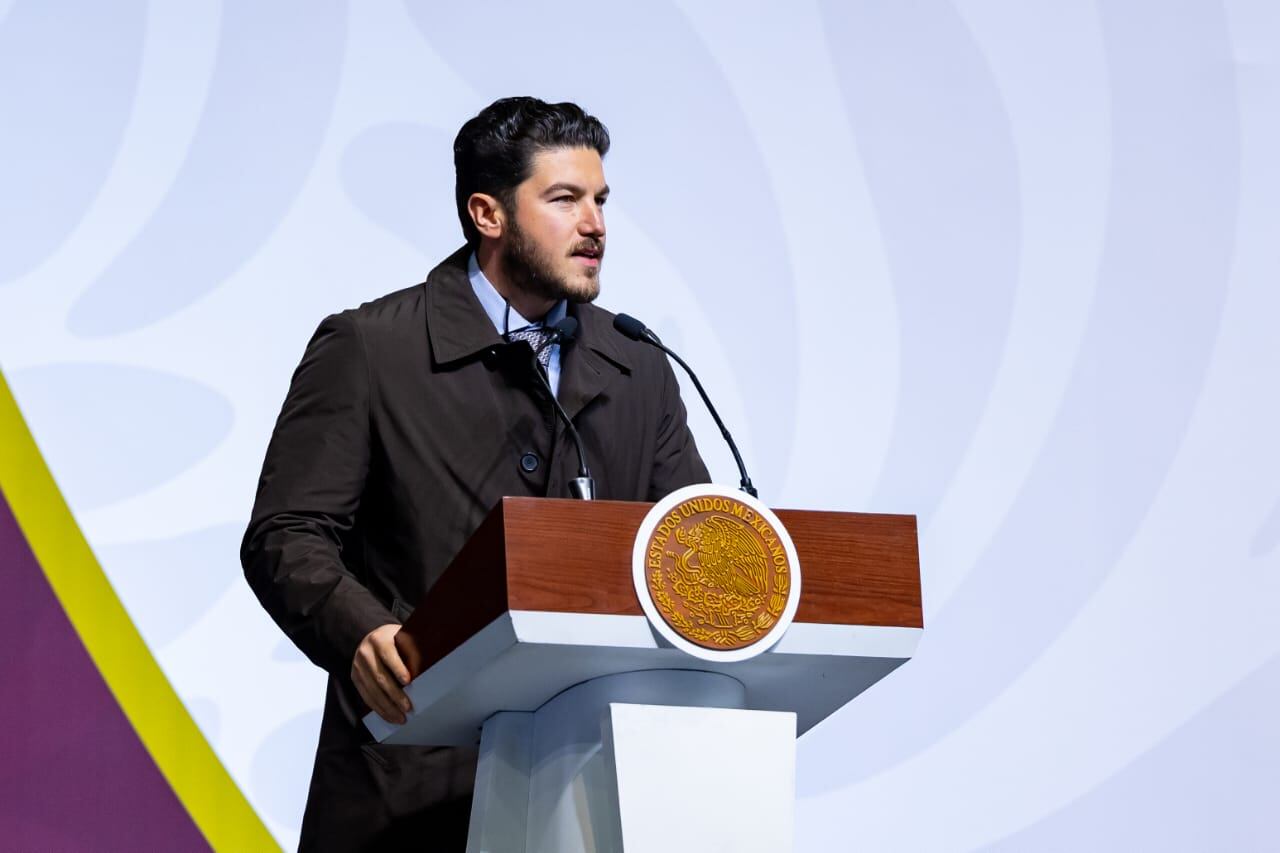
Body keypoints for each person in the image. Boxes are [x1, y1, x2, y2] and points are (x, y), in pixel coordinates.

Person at [241, 97, 710, 851]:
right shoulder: (372, 348)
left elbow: (690, 546)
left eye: (600, 200)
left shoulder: (638, 367)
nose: (595, 224)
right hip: (407, 782)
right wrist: (361, 631)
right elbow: (285, 533)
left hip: (588, 787)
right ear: (488, 214)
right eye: (565, 199)